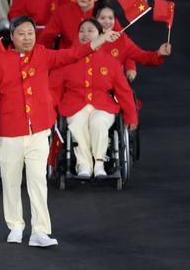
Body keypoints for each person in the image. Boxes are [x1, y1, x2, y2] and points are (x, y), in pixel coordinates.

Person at [0, 16, 121, 247]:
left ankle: (39, 231)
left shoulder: (43, 54)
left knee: (37, 181)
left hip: (39, 130)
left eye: (30, 33)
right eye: (21, 34)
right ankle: (15, 226)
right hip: (10, 131)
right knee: (11, 182)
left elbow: (72, 54)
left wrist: (101, 40)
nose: (27, 38)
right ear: (12, 37)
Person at [53, 19, 138, 179]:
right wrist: (50, 111)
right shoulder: (67, 59)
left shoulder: (110, 62)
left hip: (103, 105)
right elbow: (53, 89)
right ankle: (83, 164)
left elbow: (124, 92)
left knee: (98, 122)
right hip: (74, 104)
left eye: (90, 31)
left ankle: (99, 164)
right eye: (82, 31)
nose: (85, 34)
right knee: (77, 124)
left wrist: (131, 116)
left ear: (100, 35)